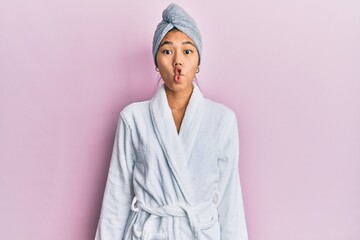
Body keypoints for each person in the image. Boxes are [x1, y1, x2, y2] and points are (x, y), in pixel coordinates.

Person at [95, 3, 248, 240]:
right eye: (167, 51)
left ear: (199, 63)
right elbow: (116, 199)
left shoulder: (222, 120)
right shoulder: (133, 119)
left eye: (187, 52)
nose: (178, 61)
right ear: (156, 62)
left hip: (199, 233)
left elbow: (230, 204)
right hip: (149, 233)